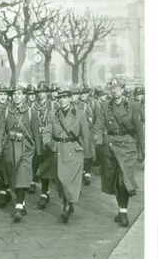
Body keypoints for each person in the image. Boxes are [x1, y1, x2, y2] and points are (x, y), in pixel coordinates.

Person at [94, 77, 144, 227]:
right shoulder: (104, 106)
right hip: (110, 146)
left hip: (127, 147)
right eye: (112, 88)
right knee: (114, 180)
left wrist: (144, 150)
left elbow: (139, 129)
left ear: (122, 90)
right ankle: (121, 208)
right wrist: (97, 143)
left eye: (118, 88)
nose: (115, 91)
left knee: (124, 180)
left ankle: (123, 212)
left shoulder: (132, 106)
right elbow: (98, 126)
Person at [0, 84, 41, 222]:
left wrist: (39, 151)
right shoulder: (6, 111)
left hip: (26, 148)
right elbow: (0, 132)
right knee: (13, 176)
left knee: (22, 174)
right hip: (10, 147)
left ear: (24, 96)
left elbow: (36, 134)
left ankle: (18, 206)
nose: (16, 96)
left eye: (19, 94)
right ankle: (21, 200)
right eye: (14, 94)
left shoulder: (31, 112)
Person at [42, 86, 89, 223]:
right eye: (60, 98)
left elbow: (85, 134)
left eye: (64, 97)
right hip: (58, 150)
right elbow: (46, 130)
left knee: (70, 180)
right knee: (61, 180)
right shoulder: (53, 113)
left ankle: (67, 207)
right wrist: (46, 143)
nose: (62, 100)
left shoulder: (80, 113)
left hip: (74, 151)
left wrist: (87, 153)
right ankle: (69, 203)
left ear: (70, 98)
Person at [31, 81, 59, 209]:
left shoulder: (54, 105)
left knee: (48, 165)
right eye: (39, 92)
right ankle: (44, 191)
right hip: (36, 139)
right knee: (39, 162)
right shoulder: (32, 106)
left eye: (43, 92)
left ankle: (44, 192)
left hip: (50, 138)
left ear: (47, 93)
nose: (41, 94)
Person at [70, 83, 94, 186]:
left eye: (75, 94)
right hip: (70, 137)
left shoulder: (85, 107)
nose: (73, 96)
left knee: (85, 155)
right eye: (71, 94)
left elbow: (90, 121)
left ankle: (85, 173)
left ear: (79, 95)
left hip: (81, 136)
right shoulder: (66, 106)